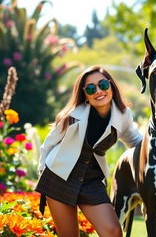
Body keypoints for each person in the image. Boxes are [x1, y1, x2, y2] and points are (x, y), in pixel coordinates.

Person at [36, 66, 142, 237]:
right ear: (85, 94)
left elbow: (135, 141)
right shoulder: (72, 115)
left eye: (102, 85)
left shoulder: (123, 114)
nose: (98, 91)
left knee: (113, 232)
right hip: (58, 178)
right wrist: (42, 170)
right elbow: (48, 144)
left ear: (111, 86)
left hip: (92, 181)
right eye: (91, 88)